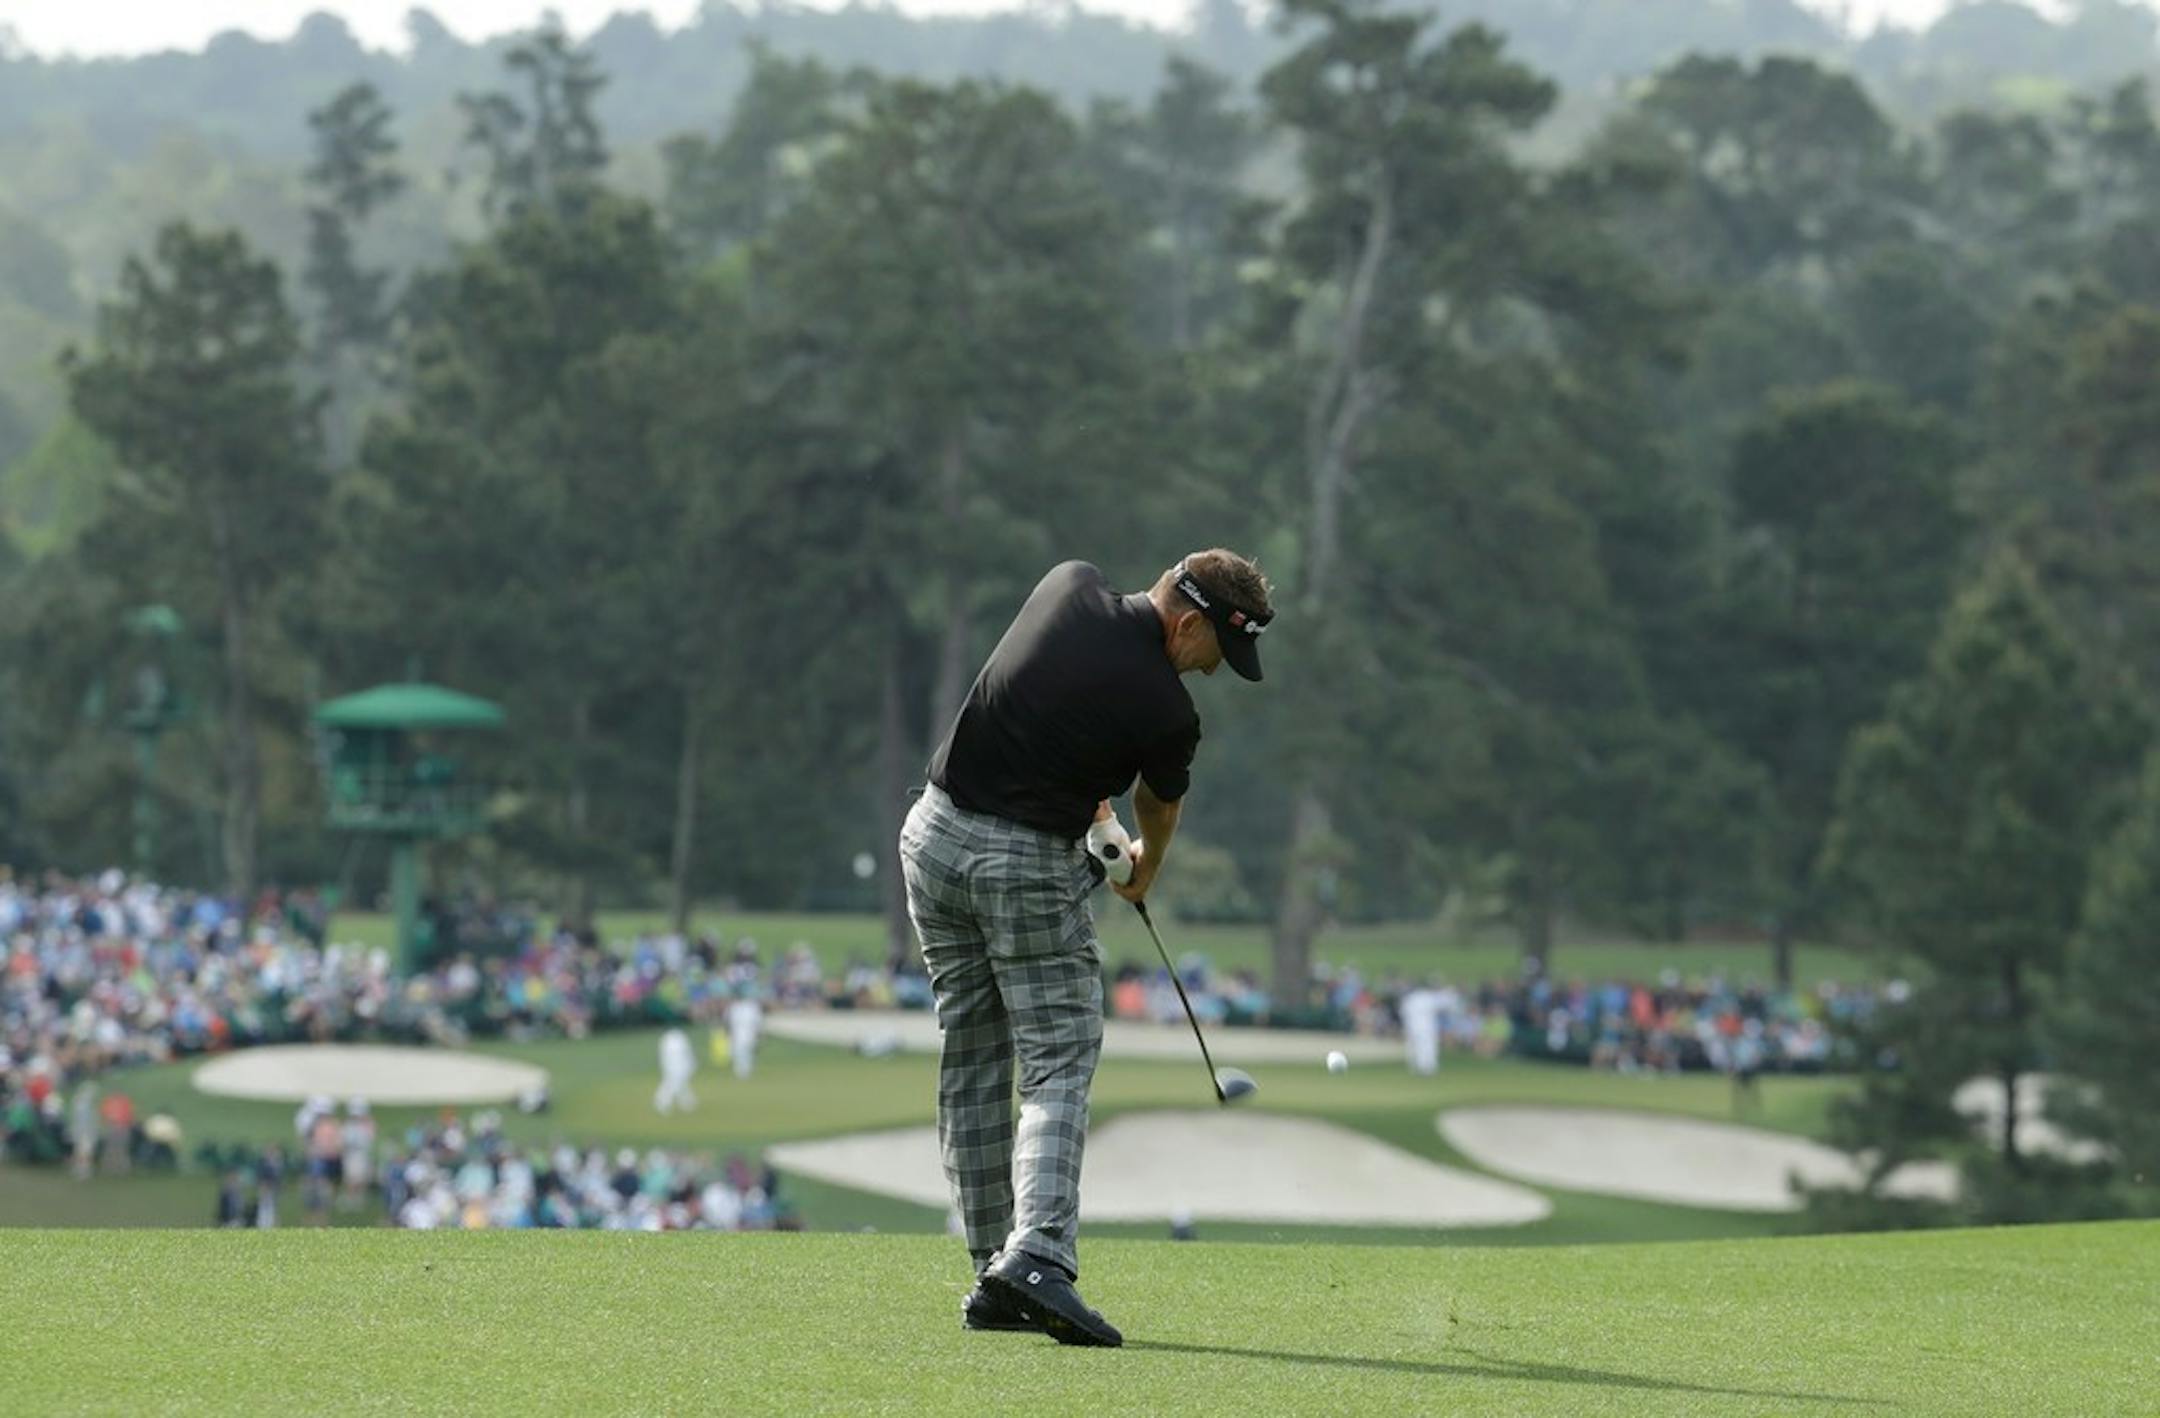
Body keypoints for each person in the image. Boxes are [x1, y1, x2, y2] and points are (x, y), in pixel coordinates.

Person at [900, 551, 1273, 1347]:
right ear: (1189, 623)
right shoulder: (1167, 713)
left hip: (932, 838)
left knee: (971, 1056)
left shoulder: (1065, 585)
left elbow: (1046, 712)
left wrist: (1092, 818)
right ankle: (1036, 1256)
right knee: (1059, 1058)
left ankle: (993, 1273)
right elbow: (1158, 806)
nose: (1208, 675)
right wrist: (1142, 871)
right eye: (1214, 657)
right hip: (1020, 862)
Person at [654, 1027, 698, 1113]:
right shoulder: (672, 1041)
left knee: (678, 1083)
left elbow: (686, 1052)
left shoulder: (669, 1040)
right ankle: (661, 1101)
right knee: (673, 1084)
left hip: (677, 1066)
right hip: (676, 1066)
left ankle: (687, 1101)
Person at [724, 991, 762, 1081]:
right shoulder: (733, 1007)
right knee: (736, 1052)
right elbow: (727, 1021)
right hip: (737, 1032)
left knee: (746, 1052)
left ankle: (745, 1071)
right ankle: (740, 1072)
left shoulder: (751, 1007)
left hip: (748, 1032)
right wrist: (728, 1032)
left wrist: (758, 1033)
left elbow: (757, 1022)